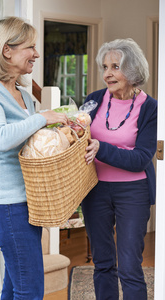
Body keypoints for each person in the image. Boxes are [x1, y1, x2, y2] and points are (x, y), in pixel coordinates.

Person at [0, 16, 68, 300]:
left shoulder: (25, 96)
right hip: (6, 206)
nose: (36, 54)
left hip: (29, 202)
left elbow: (31, 141)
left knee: (15, 286)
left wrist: (62, 132)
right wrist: (42, 118)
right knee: (30, 290)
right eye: (30, 47)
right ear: (7, 50)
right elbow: (2, 138)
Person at [82, 38, 157, 300]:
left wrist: (101, 148)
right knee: (102, 263)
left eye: (115, 66)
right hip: (95, 190)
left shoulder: (151, 108)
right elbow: (78, 140)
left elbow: (140, 159)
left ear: (133, 70)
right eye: (105, 67)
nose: (107, 74)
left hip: (133, 192)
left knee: (129, 267)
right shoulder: (93, 101)